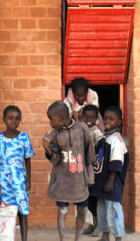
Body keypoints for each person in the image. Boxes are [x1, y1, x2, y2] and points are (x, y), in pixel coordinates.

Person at [42, 101, 95, 241]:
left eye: (52, 120)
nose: (50, 123)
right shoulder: (53, 135)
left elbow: (89, 155)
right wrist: (47, 148)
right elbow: (56, 160)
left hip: (79, 180)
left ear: (63, 118)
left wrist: (90, 177)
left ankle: (78, 238)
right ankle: (63, 239)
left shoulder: (82, 129)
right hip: (62, 181)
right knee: (62, 211)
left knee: (82, 210)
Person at [0, 105, 35, 241]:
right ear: (4, 119)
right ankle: (2, 237)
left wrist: (28, 180)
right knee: (3, 213)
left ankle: (24, 238)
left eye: (17, 119)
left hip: (19, 182)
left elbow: (27, 159)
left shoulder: (24, 137)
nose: (13, 122)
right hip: (3, 183)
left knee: (22, 213)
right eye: (10, 118)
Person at [89, 105, 128, 241]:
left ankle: (118, 236)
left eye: (111, 119)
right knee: (102, 209)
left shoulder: (116, 140)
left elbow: (116, 161)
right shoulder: (106, 138)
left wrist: (111, 180)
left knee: (114, 209)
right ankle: (105, 234)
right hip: (102, 182)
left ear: (119, 122)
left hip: (111, 183)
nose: (107, 122)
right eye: (105, 119)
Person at [81, 104, 103, 236]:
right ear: (82, 117)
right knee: (87, 201)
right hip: (83, 170)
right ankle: (94, 224)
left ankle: (99, 225)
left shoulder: (97, 132)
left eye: (92, 117)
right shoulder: (81, 130)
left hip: (93, 171)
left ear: (96, 119)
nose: (89, 119)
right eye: (86, 116)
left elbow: (100, 151)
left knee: (94, 200)